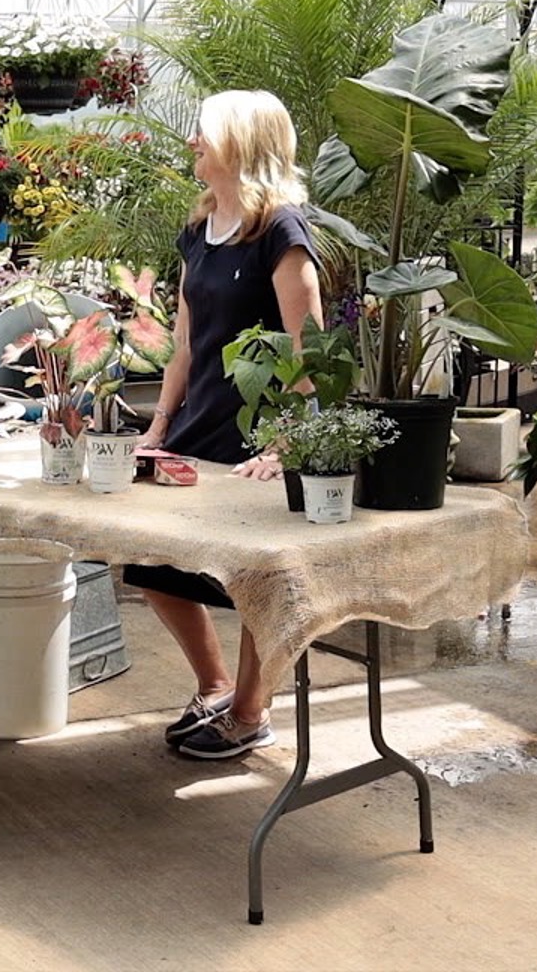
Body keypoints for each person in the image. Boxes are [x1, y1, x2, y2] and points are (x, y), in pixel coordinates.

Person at [130, 89, 322, 761]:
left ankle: (249, 712)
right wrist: (158, 426)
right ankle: (214, 686)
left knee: (253, 581)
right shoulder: (199, 229)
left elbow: (310, 348)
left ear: (241, 144)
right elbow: (184, 342)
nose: (193, 144)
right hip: (200, 421)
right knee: (150, 559)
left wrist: (286, 442)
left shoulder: (281, 231)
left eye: (204, 134)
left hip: (261, 433)